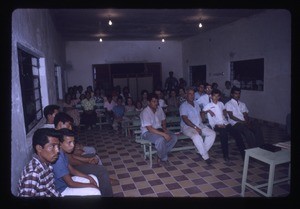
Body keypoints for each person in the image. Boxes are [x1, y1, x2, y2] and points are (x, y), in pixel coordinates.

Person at [54, 112, 115, 197]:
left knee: (94, 159)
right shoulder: (58, 146)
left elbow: (70, 162)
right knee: (101, 171)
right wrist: (87, 162)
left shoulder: (63, 143)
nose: (71, 128)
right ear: (60, 125)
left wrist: (87, 160)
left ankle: (105, 181)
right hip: (64, 184)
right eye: (68, 126)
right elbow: (71, 162)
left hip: (69, 170)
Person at [52, 128, 101, 196]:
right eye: (69, 142)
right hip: (62, 190)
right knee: (95, 191)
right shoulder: (58, 159)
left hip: (66, 184)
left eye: (73, 142)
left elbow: (71, 169)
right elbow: (70, 183)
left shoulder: (63, 152)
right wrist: (91, 185)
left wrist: (88, 177)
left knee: (93, 178)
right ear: (60, 143)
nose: (72, 145)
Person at [203, 89, 246, 161]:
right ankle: (226, 155)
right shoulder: (208, 105)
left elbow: (223, 110)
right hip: (216, 125)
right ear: (211, 96)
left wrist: (225, 113)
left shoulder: (221, 103)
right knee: (224, 134)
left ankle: (244, 155)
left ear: (219, 97)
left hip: (225, 123)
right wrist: (208, 110)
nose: (216, 98)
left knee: (237, 133)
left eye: (217, 96)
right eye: (214, 96)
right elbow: (202, 113)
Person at [18, 128, 61, 197]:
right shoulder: (33, 173)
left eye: (58, 146)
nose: (57, 151)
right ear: (39, 148)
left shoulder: (46, 164)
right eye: (52, 146)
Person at [179, 87, 216, 165]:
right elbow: (185, 120)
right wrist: (195, 128)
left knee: (212, 134)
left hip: (199, 125)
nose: (192, 96)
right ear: (186, 95)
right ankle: (206, 157)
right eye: (190, 94)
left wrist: (203, 115)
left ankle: (200, 151)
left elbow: (200, 114)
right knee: (196, 136)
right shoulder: (183, 106)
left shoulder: (196, 104)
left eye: (193, 94)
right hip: (188, 127)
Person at [140, 93, 178, 167]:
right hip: (147, 132)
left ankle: (160, 154)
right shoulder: (145, 112)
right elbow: (150, 129)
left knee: (174, 137)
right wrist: (164, 134)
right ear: (148, 102)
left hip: (159, 130)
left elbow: (163, 120)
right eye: (153, 101)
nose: (156, 103)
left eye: (156, 101)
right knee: (160, 140)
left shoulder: (159, 109)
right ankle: (163, 158)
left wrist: (164, 129)